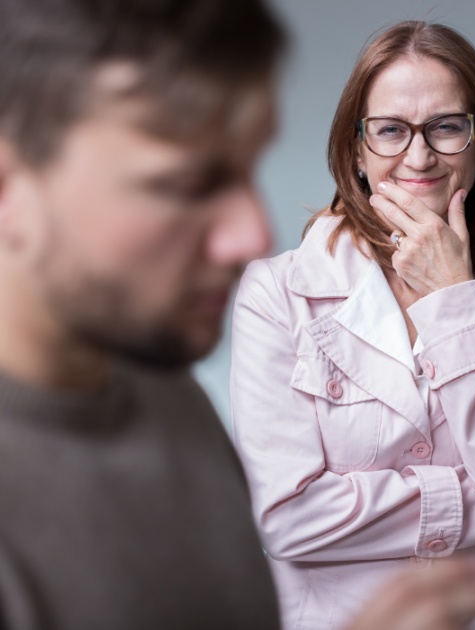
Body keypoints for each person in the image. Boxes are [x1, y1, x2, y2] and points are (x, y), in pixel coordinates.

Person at [230, 20, 475, 630]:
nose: (418, 155)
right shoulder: (277, 296)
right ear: (356, 152)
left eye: (446, 127)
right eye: (390, 130)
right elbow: (284, 517)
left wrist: (456, 296)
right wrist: (474, 504)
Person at [0, 0, 288, 627]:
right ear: (7, 187)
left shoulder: (172, 396)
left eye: (248, 170)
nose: (254, 234)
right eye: (188, 185)